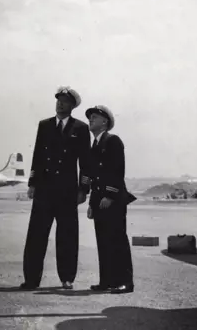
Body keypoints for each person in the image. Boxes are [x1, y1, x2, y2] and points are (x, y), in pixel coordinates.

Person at [20, 86, 91, 290]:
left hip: (67, 191)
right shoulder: (45, 125)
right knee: (36, 235)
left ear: (72, 106)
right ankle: (31, 279)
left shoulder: (80, 128)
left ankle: (67, 278)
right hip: (44, 189)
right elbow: (37, 158)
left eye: (65, 101)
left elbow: (86, 162)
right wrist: (32, 184)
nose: (60, 104)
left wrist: (83, 189)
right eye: (58, 100)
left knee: (67, 236)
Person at [85, 104, 136, 294]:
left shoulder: (113, 141)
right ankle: (106, 280)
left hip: (113, 200)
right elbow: (93, 176)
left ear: (105, 121)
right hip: (99, 201)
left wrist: (109, 195)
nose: (90, 120)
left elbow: (117, 171)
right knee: (103, 241)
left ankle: (125, 282)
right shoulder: (95, 144)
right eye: (90, 117)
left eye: (94, 117)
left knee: (117, 241)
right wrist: (92, 203)